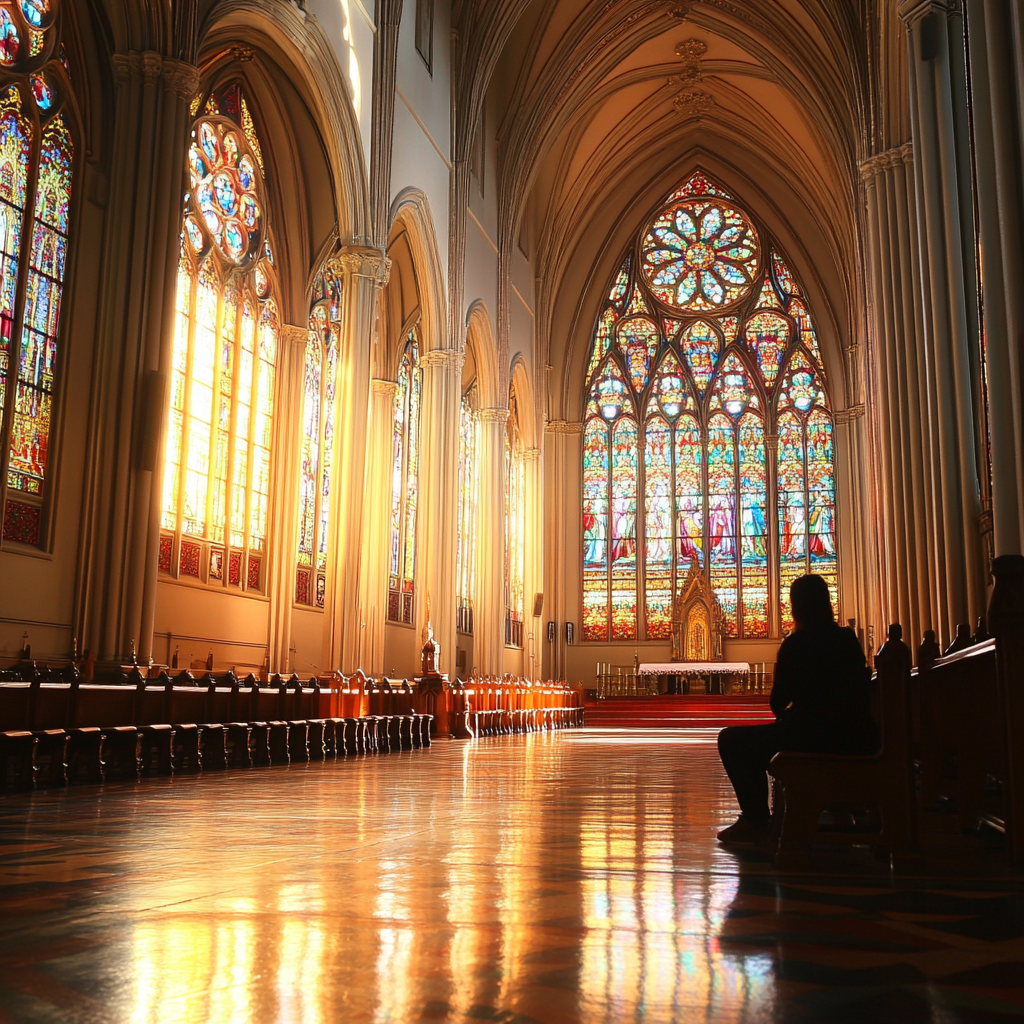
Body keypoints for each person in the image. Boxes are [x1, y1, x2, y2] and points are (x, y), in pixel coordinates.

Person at [716, 573, 878, 845]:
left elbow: (777, 703)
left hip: (809, 738)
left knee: (731, 740)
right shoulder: (847, 639)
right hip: (856, 737)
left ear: (796, 608)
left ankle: (756, 819)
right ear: (827, 604)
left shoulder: (796, 643)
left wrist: (790, 716)